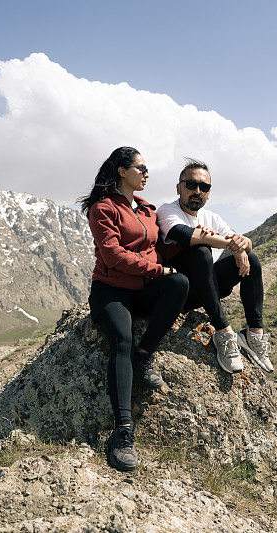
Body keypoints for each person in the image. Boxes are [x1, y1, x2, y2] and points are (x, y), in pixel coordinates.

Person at [79, 146, 189, 472]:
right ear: (122, 171)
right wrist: (157, 271)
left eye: (146, 168)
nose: (146, 173)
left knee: (180, 283)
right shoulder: (102, 208)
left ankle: (145, 356)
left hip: (141, 290)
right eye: (140, 167)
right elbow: (112, 257)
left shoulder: (147, 210)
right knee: (122, 341)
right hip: (110, 292)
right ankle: (122, 431)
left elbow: (159, 249)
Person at [157, 158, 273, 374]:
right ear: (178, 187)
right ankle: (223, 332)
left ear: (209, 193)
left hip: (207, 287)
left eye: (204, 187)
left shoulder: (212, 217)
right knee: (200, 250)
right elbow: (184, 234)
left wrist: (241, 247)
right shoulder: (167, 211)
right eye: (190, 185)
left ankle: (253, 335)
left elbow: (245, 241)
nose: (197, 191)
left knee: (253, 260)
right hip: (180, 290)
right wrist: (232, 245)